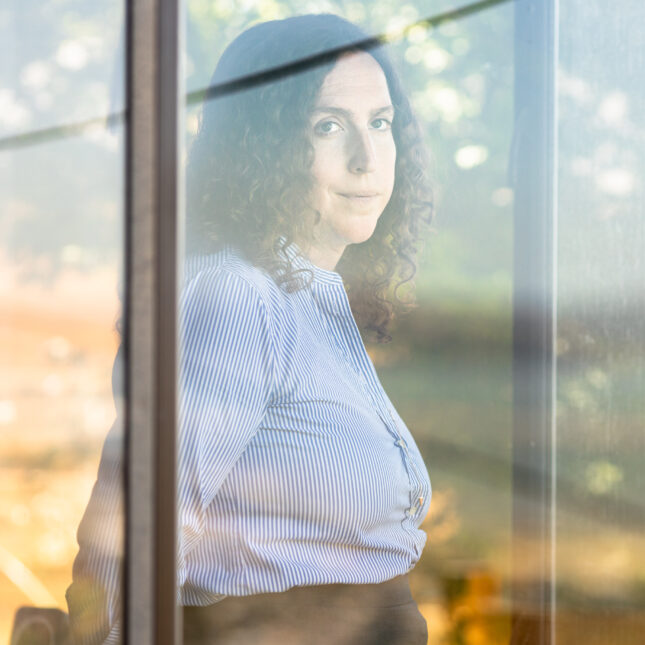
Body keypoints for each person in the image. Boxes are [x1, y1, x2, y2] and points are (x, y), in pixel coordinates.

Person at [180, 13, 433, 645]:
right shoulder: (238, 295)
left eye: (380, 123)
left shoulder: (314, 299)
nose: (365, 157)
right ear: (261, 151)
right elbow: (138, 528)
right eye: (328, 126)